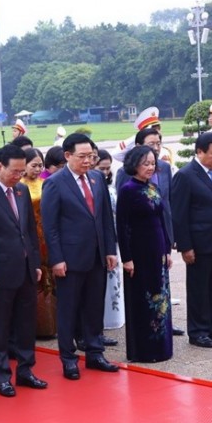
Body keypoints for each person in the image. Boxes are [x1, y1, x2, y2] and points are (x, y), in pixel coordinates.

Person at [41, 133, 119, 380]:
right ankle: (68, 358)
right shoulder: (55, 183)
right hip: (70, 258)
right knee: (69, 309)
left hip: (97, 255)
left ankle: (95, 352)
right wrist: (57, 259)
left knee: (95, 306)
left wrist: (109, 250)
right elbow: (50, 226)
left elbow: (106, 218)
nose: (88, 161)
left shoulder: (96, 178)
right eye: (82, 156)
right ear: (67, 156)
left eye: (91, 156)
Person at [0, 145, 46, 397]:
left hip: (25, 269)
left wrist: (35, 263)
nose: (18, 175)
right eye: (14, 171)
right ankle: (2, 375)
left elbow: (28, 231)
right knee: (0, 328)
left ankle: (26, 371)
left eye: (21, 171)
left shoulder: (22, 190)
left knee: (27, 324)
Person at [171, 132, 212, 349]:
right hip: (199, 245)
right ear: (199, 151)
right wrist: (185, 246)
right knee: (199, 288)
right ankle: (198, 331)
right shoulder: (185, 175)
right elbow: (179, 215)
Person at [116, 146, 173, 363]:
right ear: (134, 165)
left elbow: (161, 219)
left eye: (152, 163)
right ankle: (144, 350)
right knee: (142, 299)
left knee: (161, 298)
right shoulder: (128, 190)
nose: (150, 168)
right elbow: (122, 225)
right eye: (145, 164)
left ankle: (162, 348)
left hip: (157, 251)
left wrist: (167, 250)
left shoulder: (153, 187)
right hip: (139, 254)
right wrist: (127, 258)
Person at [21, 149, 57, 338]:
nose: (37, 169)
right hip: (30, 235)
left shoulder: (46, 183)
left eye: (40, 165)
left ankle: (51, 325)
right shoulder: (19, 186)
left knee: (50, 279)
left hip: (47, 234)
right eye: (33, 165)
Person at [95, 150, 124, 332]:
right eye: (101, 168)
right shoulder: (96, 187)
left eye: (107, 168)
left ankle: (116, 317)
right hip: (99, 239)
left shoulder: (112, 187)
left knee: (114, 279)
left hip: (114, 237)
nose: (105, 172)